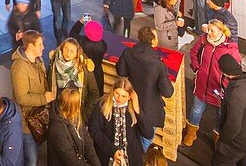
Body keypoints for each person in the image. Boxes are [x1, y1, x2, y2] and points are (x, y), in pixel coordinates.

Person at [115, 25, 172, 158]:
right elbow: (167, 92)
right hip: (149, 110)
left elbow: (121, 71)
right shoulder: (159, 64)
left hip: (129, 104)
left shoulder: (128, 52)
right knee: (147, 138)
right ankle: (137, 158)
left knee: (130, 134)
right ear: (152, 41)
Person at [184, 19, 240, 147]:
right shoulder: (203, 40)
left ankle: (218, 136)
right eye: (208, 29)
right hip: (202, 83)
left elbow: (236, 69)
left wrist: (225, 83)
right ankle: (191, 132)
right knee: (196, 110)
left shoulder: (230, 49)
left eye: (212, 31)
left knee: (220, 113)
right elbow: (193, 52)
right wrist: (197, 68)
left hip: (219, 88)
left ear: (221, 31)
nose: (208, 32)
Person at [10, 30, 52, 166]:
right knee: (31, 159)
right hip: (27, 123)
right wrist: (44, 99)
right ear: (30, 46)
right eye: (39, 44)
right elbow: (21, 98)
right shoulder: (20, 67)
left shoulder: (38, 60)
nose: (43, 47)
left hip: (39, 116)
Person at [213, 54, 246, 166]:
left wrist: (223, 140)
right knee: (245, 161)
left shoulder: (235, 95)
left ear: (225, 73)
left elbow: (233, 126)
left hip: (237, 144)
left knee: (219, 162)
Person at [89, 78, 143, 166]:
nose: (119, 98)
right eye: (117, 93)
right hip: (106, 155)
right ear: (113, 91)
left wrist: (137, 110)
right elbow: (93, 130)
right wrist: (112, 150)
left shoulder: (133, 108)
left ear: (130, 97)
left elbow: (147, 133)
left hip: (131, 157)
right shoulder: (102, 105)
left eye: (123, 96)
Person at [47, 38, 99, 123]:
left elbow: (94, 93)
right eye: (66, 49)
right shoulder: (53, 63)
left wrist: (85, 115)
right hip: (56, 113)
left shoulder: (83, 67)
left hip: (76, 115)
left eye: (72, 51)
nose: (68, 53)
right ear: (62, 48)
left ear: (76, 54)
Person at [46, 87, 99, 166]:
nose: (80, 107)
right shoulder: (57, 128)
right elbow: (71, 160)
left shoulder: (75, 116)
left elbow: (87, 143)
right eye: (78, 104)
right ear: (71, 107)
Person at [69, 19, 108, 94]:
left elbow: (72, 33)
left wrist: (80, 22)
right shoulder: (103, 46)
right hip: (97, 73)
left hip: (82, 71)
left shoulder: (81, 42)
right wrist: (92, 27)